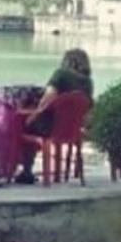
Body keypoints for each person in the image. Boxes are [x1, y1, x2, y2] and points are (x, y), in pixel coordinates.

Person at [16, 47, 94, 184]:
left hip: (50, 127)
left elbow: (49, 96)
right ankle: (33, 171)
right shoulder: (88, 82)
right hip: (73, 129)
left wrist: (35, 114)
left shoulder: (61, 74)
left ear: (68, 61)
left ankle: (26, 170)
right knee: (30, 126)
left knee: (21, 126)